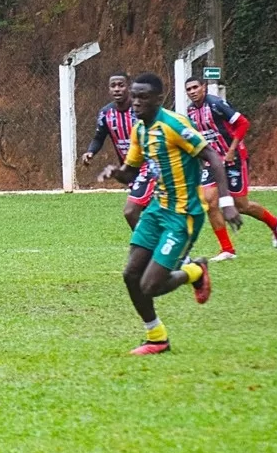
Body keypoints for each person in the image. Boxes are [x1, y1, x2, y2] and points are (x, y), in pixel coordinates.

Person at [103, 73, 241, 355]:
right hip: (156, 210)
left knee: (151, 285)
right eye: (135, 96)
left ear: (158, 99)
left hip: (182, 215)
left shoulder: (174, 124)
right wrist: (115, 173)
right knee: (131, 275)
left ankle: (195, 270)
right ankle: (156, 337)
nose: (136, 103)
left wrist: (226, 200)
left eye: (143, 97)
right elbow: (130, 171)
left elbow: (212, 157)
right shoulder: (140, 129)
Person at [185, 77, 277, 261]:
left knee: (241, 205)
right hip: (213, 162)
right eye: (188, 89)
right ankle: (227, 249)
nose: (192, 91)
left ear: (204, 87)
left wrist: (231, 151)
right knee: (209, 201)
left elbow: (243, 123)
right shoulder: (190, 112)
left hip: (234, 158)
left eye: (195, 87)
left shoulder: (216, 104)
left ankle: (274, 222)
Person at [81, 72, 155, 229]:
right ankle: (155, 241)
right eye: (113, 86)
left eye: (120, 85)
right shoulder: (106, 113)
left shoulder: (140, 110)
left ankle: (146, 244)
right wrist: (90, 152)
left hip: (149, 166)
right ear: (108, 90)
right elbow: (99, 137)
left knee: (132, 210)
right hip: (129, 169)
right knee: (148, 208)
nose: (117, 89)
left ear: (128, 87)